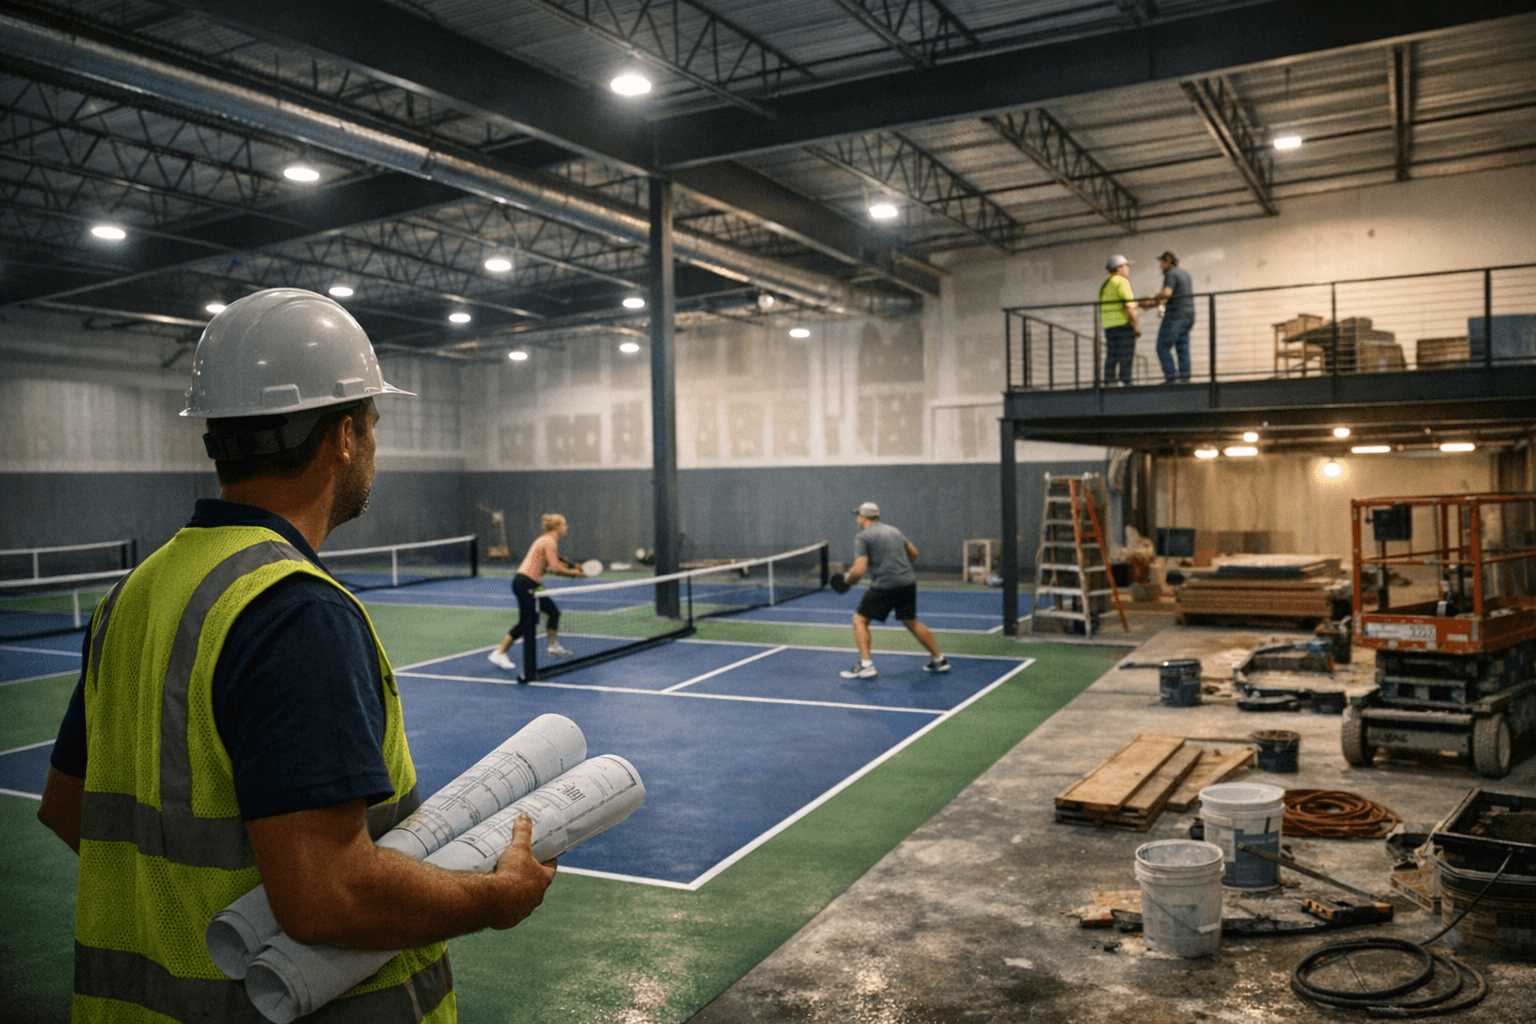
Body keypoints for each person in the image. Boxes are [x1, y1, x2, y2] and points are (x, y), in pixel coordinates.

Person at [36, 288, 556, 1024]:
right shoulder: (294, 611)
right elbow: (328, 898)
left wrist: (200, 914)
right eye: (373, 424)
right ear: (344, 436)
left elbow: (66, 810)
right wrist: (495, 900)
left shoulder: (137, 593)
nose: (373, 445)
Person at [839, 502, 950, 679]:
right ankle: (939, 660)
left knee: (859, 620)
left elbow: (859, 570)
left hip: (885, 585)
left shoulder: (863, 537)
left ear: (863, 518)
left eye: (858, 516)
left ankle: (866, 665)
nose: (857, 519)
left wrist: (849, 580)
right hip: (907, 582)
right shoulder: (894, 531)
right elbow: (913, 552)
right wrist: (902, 569)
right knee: (911, 621)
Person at [488, 513, 584, 676]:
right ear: (557, 527)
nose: (567, 527)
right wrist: (574, 573)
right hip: (524, 584)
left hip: (535, 586)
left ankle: (553, 647)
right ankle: (499, 652)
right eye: (565, 524)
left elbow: (553, 562)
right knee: (528, 622)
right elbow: (556, 568)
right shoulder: (549, 541)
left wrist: (572, 566)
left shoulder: (546, 540)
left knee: (553, 612)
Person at [1140, 250, 1196, 383]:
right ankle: (1185, 380)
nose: (1160, 267)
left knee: (1162, 347)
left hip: (1176, 315)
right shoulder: (1185, 274)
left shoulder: (1171, 274)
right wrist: (1152, 303)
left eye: (1161, 263)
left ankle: (1171, 378)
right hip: (1189, 314)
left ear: (1167, 262)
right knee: (1182, 347)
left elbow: (1166, 294)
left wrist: (1149, 300)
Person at [1098, 254, 1140, 386]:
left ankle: (1109, 381)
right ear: (1120, 267)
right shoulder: (1122, 282)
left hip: (1109, 326)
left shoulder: (1105, 285)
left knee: (1112, 355)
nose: (1128, 269)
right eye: (1127, 266)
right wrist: (1136, 326)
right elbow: (1129, 306)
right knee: (1126, 354)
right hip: (1123, 325)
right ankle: (1125, 382)